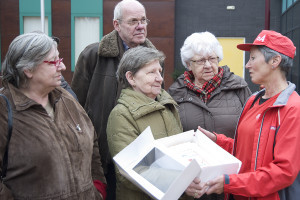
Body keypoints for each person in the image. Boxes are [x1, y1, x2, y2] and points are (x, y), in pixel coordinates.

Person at [186, 30, 300, 200]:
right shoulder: (253, 100)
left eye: (253, 58)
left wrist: (230, 183)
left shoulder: (292, 108)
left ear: (275, 61)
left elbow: (283, 172)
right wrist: (218, 141)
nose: (247, 65)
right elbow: (245, 150)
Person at [0, 31, 107, 199]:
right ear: (28, 69)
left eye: (61, 60)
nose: (62, 67)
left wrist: (98, 189)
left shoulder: (66, 98)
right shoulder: (4, 110)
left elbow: (91, 141)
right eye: (53, 61)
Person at [71, 1, 157, 198]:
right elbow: (75, 106)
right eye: (133, 21)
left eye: (143, 20)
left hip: (140, 154)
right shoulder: (93, 54)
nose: (141, 26)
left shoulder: (154, 58)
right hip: (102, 156)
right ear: (116, 25)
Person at [106, 46, 191, 200]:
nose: (160, 78)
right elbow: (130, 171)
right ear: (131, 78)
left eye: (159, 71)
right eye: (151, 72)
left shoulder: (168, 106)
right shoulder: (121, 114)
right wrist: (183, 181)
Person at [168, 32, 251, 142]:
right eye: (201, 61)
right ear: (188, 64)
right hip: (191, 158)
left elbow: (254, 127)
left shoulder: (238, 86)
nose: (208, 65)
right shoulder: (176, 93)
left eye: (212, 59)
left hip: (232, 157)